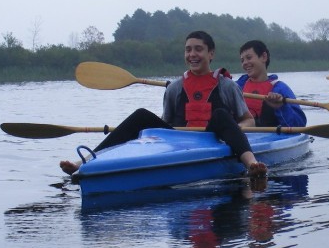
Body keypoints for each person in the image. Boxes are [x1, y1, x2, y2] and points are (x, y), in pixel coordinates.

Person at [59, 30, 267, 179]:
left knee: (222, 114)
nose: (192, 54)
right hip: (179, 140)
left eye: (198, 49)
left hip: (214, 137)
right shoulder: (175, 88)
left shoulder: (227, 86)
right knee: (141, 115)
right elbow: (163, 125)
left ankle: (251, 164)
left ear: (211, 54)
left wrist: (234, 131)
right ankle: (84, 162)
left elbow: (249, 120)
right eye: (188, 50)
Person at [235, 40, 306, 127]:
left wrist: (281, 107)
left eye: (249, 58)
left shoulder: (280, 88)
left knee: (268, 106)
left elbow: (299, 125)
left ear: (264, 57)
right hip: (240, 132)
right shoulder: (237, 86)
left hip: (267, 134)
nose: (245, 63)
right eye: (242, 60)